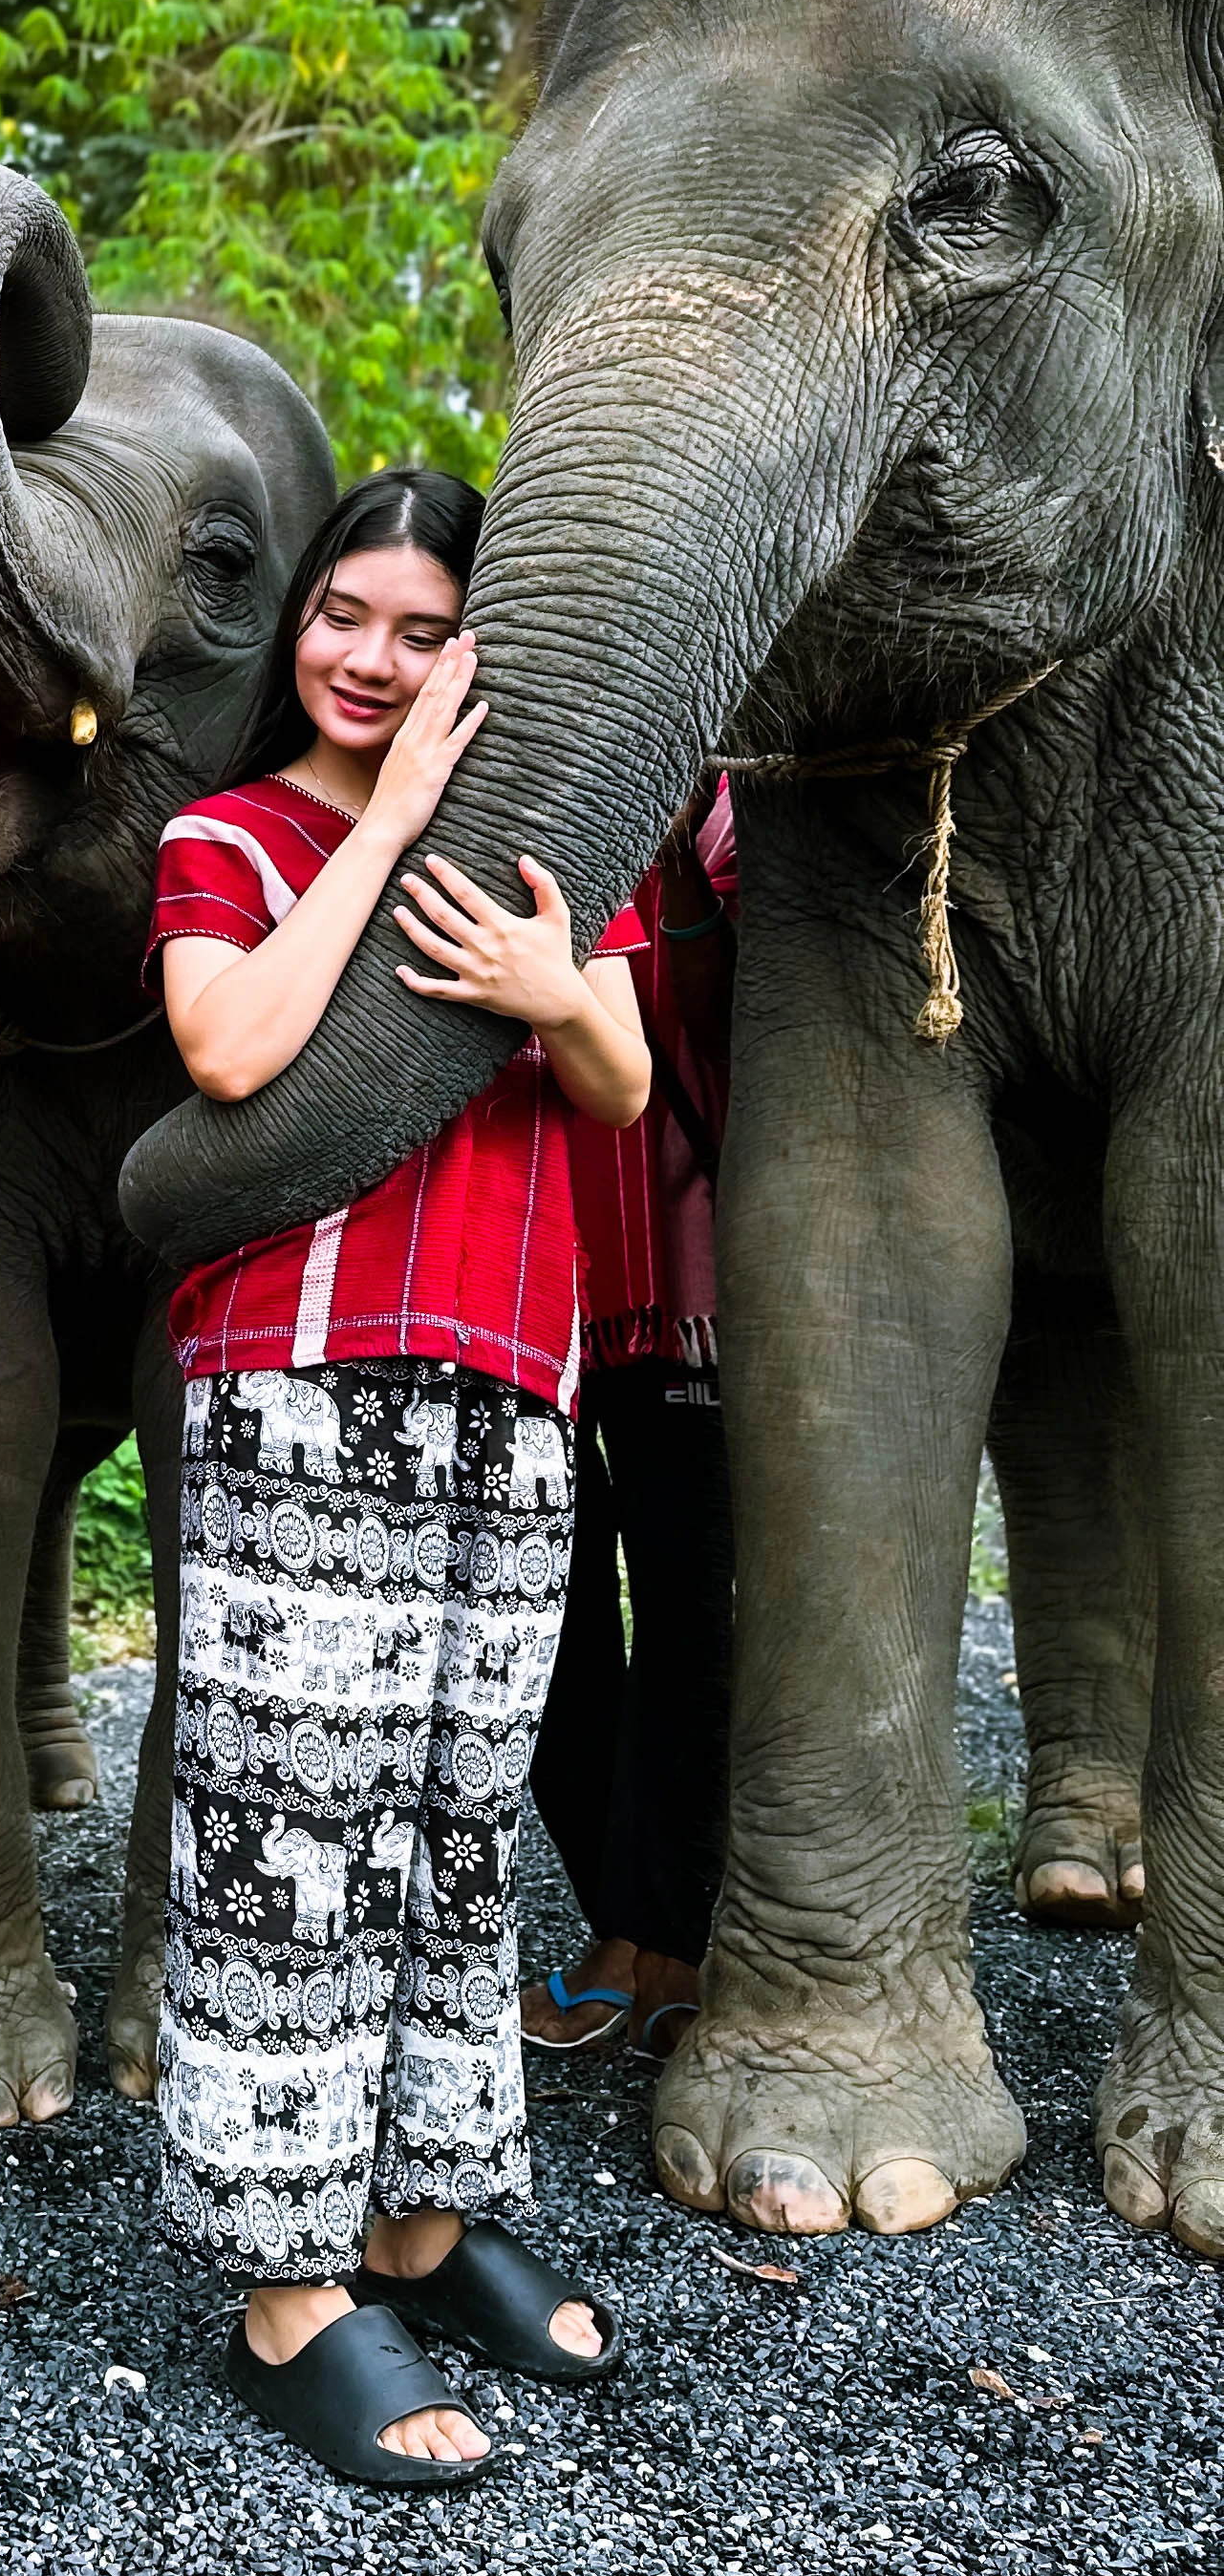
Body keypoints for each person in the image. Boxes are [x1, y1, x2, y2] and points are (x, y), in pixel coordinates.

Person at [148, 464, 650, 2493]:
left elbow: (610, 1080)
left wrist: (553, 988)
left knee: (455, 1833)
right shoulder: (224, 833)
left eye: (421, 631)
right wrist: (375, 841)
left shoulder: (553, 859)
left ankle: (424, 2224)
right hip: (297, 1386)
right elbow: (234, 1051)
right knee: (291, 1837)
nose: (370, 658)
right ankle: (285, 2291)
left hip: (511, 1397)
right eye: (344, 617)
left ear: (478, 652)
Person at [525, 787, 739, 2067]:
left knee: (689, 1620)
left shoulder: (722, 812)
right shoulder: (538, 801)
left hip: (695, 1284)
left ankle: (673, 1940)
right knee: (549, 1628)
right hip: (538, 1286)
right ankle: (626, 1918)